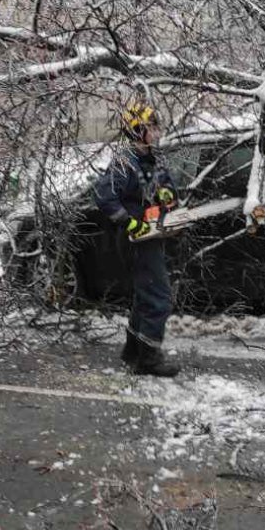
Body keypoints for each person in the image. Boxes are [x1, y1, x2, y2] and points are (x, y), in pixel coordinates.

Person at [93, 100, 181, 378]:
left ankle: (132, 349)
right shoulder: (124, 163)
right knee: (159, 298)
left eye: (156, 127)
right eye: (151, 128)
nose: (156, 133)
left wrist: (167, 194)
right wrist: (130, 222)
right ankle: (148, 359)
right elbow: (103, 196)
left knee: (146, 295)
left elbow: (165, 184)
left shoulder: (152, 159)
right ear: (137, 130)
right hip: (133, 239)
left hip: (151, 234)